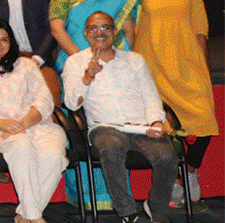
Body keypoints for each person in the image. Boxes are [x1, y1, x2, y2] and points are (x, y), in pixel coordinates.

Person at [63, 12, 175, 223]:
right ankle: (127, 213)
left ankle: (156, 207)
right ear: (86, 34)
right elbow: (71, 103)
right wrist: (88, 77)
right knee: (112, 148)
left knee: (167, 156)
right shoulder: (75, 62)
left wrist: (156, 121)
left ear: (115, 32)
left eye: (106, 28)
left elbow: (150, 95)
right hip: (104, 127)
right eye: (94, 28)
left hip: (141, 126)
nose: (100, 32)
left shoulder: (135, 60)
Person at [128, 0, 213, 204]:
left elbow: (200, 25)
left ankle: (189, 171)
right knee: (164, 125)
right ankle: (174, 178)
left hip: (186, 59)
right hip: (152, 61)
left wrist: (203, 65)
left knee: (204, 118)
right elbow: (132, 24)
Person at [0, 18, 67, 223]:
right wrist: (3, 124)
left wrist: (24, 123)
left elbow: (44, 100)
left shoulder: (26, 65)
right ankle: (35, 217)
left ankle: (24, 216)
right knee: (21, 145)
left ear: (11, 43)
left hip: (36, 125)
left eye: (4, 39)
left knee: (54, 155)